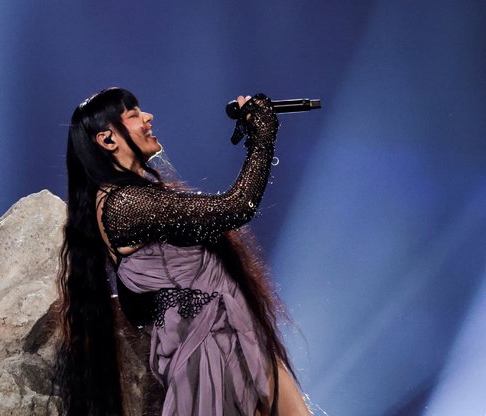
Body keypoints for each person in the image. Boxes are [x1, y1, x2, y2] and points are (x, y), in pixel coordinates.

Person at [55, 87, 310, 415]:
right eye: (133, 115)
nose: (148, 118)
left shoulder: (130, 197)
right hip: (208, 350)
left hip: (229, 336)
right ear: (107, 140)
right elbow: (235, 207)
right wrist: (261, 135)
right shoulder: (125, 204)